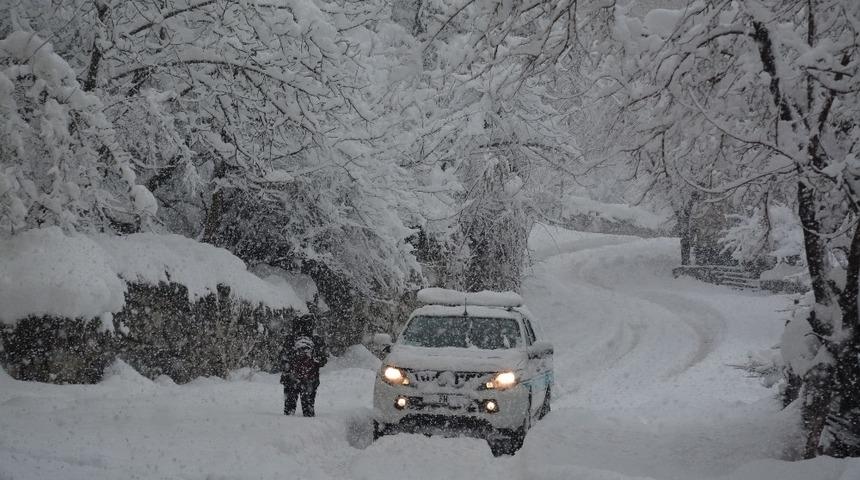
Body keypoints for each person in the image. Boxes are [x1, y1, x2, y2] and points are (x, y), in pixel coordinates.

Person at [280, 314, 327, 417]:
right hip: (310, 380)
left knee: (289, 410)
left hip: (291, 379)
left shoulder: (289, 340)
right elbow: (323, 361)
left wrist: (288, 372)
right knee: (308, 411)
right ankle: (309, 429)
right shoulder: (317, 341)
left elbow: (282, 360)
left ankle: (285, 428)